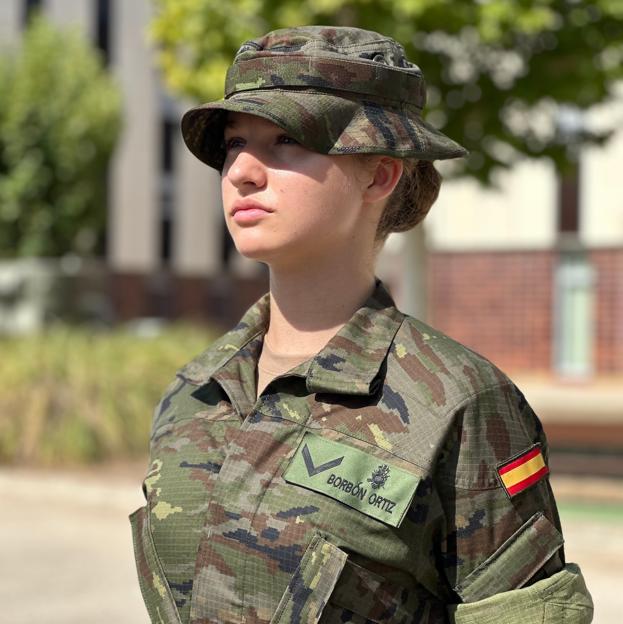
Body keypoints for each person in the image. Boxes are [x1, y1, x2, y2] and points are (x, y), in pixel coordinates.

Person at [129, 25, 593, 624]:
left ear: (379, 175)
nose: (242, 170)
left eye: (286, 139)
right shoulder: (194, 392)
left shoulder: (458, 402)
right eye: (233, 144)